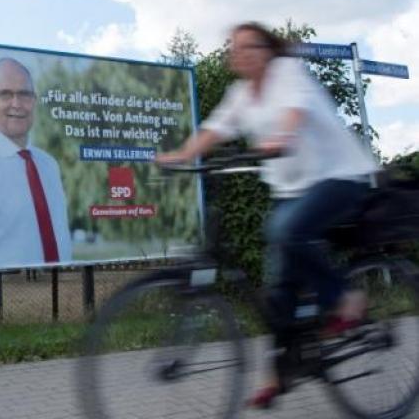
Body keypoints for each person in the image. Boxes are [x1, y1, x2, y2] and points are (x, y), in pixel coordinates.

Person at [156, 22, 379, 408]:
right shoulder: (240, 94)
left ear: (267, 50)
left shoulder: (287, 72)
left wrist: (282, 137)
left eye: (249, 46)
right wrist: (182, 155)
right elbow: (214, 129)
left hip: (339, 176)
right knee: (279, 289)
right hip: (291, 190)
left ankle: (347, 299)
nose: (239, 53)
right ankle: (280, 372)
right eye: (234, 47)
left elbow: (295, 110)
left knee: (285, 230)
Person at [0, 57, 72, 270]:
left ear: (34, 100)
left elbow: (62, 238)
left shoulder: (49, 165)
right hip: (6, 290)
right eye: (5, 94)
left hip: (62, 286)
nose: (16, 104)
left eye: (24, 94)